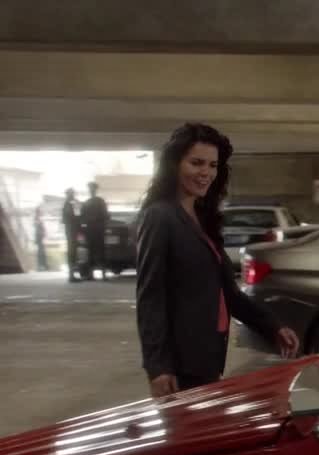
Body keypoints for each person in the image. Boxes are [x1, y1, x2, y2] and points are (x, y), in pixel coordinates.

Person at [135, 123, 300, 397]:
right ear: (174, 164)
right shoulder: (160, 216)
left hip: (207, 356)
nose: (206, 173)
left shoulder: (203, 219)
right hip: (181, 364)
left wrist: (273, 327)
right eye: (196, 163)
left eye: (212, 165)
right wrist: (158, 366)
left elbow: (229, 294)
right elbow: (150, 297)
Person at [80, 181, 109, 280]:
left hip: (95, 229)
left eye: (92, 189)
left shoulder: (94, 202)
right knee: (94, 251)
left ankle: (99, 274)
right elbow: (106, 215)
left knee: (98, 251)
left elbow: (105, 215)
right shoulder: (96, 202)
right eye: (91, 189)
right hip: (94, 229)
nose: (91, 190)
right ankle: (95, 274)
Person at [60, 189, 78, 282]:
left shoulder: (67, 205)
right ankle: (71, 276)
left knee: (72, 253)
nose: (74, 196)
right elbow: (70, 218)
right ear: (69, 195)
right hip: (71, 232)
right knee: (72, 253)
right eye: (72, 194)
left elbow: (63, 220)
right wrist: (76, 220)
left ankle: (72, 275)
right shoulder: (68, 205)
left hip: (69, 231)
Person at [32, 207, 48, 271]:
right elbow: (35, 225)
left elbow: (41, 227)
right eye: (40, 211)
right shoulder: (36, 218)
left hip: (40, 236)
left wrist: (44, 232)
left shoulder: (39, 218)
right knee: (41, 251)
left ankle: (42, 265)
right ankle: (41, 266)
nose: (41, 213)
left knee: (42, 251)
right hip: (39, 236)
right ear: (38, 212)